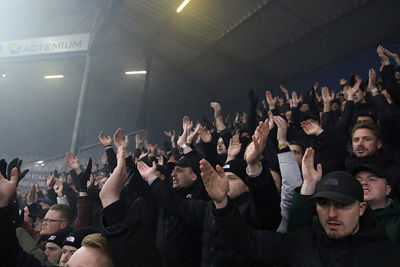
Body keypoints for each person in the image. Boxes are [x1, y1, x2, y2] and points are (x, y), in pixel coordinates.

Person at [202, 157, 400, 266]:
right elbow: (247, 243)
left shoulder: (384, 255)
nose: (331, 214)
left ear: (361, 208)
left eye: (342, 205)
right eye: (323, 204)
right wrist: (222, 203)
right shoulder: (301, 242)